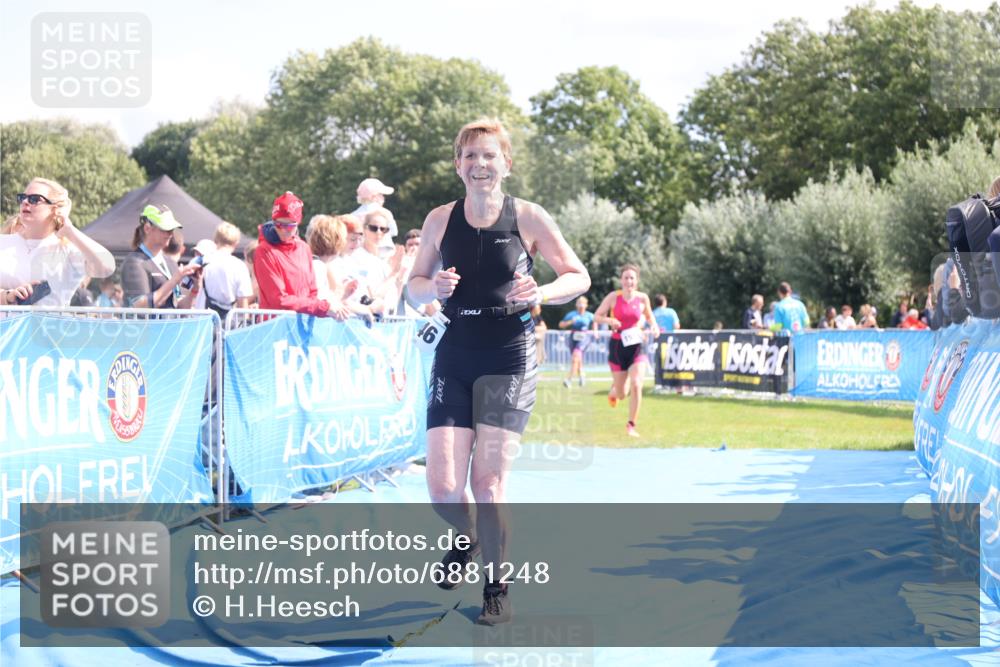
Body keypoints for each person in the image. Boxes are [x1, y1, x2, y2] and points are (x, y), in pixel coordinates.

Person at [406, 118, 589, 626]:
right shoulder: (441, 219)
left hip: (508, 356)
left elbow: (578, 275)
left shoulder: (528, 217)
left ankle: (496, 586)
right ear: (458, 165)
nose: (480, 165)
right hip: (455, 353)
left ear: (506, 163)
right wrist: (433, 288)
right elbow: (413, 285)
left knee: (488, 483)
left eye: (490, 156)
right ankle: (466, 540)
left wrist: (542, 291)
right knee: (444, 489)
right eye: (470, 156)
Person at [0, 178, 115, 307]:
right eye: (22, 197)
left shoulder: (67, 249)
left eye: (35, 199)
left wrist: (70, 231)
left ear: (55, 209)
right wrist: (8, 296)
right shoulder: (3, 242)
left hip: (49, 327)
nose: (25, 202)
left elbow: (107, 267)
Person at [253, 192, 353, 319]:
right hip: (275, 327)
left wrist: (329, 307)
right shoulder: (264, 251)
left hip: (302, 325)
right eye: (278, 224)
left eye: (289, 226)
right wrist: (324, 308)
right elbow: (279, 300)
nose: (283, 230)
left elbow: (312, 292)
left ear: (298, 223)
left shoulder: (304, 248)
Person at [594, 264, 659, 438]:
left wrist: (654, 326)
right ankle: (614, 392)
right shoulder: (613, 297)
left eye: (632, 278)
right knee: (623, 394)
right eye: (626, 278)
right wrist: (610, 320)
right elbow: (597, 316)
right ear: (621, 280)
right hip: (617, 346)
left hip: (638, 345)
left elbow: (649, 315)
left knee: (637, 384)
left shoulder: (643, 298)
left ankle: (631, 425)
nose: (629, 281)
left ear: (636, 281)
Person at [121, 205, 203, 309]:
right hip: (146, 325)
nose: (171, 234)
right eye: (165, 229)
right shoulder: (134, 263)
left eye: (172, 230)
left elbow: (180, 307)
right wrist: (174, 281)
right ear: (147, 228)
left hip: (169, 325)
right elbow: (140, 306)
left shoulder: (170, 262)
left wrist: (195, 289)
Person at [201, 221, 254, 318]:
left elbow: (186, 293)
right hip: (227, 324)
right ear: (236, 243)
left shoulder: (200, 261)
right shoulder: (239, 266)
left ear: (216, 239)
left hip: (200, 321)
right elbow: (243, 304)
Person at [353, 178, 398, 259]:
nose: (383, 198)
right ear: (374, 196)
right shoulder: (386, 213)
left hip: (359, 255)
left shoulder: (353, 215)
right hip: (384, 255)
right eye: (381, 195)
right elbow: (394, 232)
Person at [559, 296, 596, 387]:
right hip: (573, 338)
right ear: (576, 305)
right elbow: (561, 324)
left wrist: (595, 331)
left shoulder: (589, 315)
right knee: (577, 359)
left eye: (583, 303)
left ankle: (569, 380)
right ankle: (582, 376)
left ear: (586, 305)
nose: (581, 305)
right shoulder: (572, 314)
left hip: (584, 338)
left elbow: (596, 320)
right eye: (579, 303)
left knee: (575, 357)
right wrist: (570, 322)